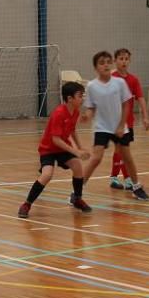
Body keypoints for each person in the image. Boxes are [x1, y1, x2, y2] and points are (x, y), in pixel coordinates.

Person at [81, 51, 149, 201]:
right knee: (96, 158)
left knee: (127, 157)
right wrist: (87, 115)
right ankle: (78, 190)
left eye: (107, 62)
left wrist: (120, 125)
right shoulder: (92, 86)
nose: (105, 64)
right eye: (101, 62)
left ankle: (136, 187)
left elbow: (126, 105)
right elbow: (91, 107)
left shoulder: (119, 83)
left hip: (119, 126)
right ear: (95, 67)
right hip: (102, 127)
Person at [18, 82, 91, 219]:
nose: (83, 99)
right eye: (80, 96)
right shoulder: (58, 113)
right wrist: (76, 152)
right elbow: (55, 140)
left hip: (62, 148)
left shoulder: (75, 112)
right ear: (70, 99)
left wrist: (80, 148)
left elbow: (72, 130)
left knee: (77, 166)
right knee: (47, 175)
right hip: (49, 149)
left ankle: (77, 199)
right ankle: (27, 204)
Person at [109, 48, 149, 191]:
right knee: (122, 149)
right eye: (121, 59)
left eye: (126, 59)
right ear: (115, 61)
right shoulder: (111, 78)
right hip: (115, 122)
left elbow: (140, 98)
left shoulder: (133, 80)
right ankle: (127, 179)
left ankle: (115, 178)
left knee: (121, 149)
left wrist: (145, 116)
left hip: (129, 121)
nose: (124, 61)